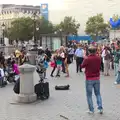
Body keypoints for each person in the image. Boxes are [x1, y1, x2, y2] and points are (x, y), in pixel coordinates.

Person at [81, 46, 103, 114]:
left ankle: (91, 110)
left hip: (89, 78)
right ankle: (100, 108)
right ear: (95, 51)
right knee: (98, 94)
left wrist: (84, 58)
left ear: (89, 51)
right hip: (97, 78)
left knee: (89, 95)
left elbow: (82, 66)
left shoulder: (87, 59)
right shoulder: (98, 58)